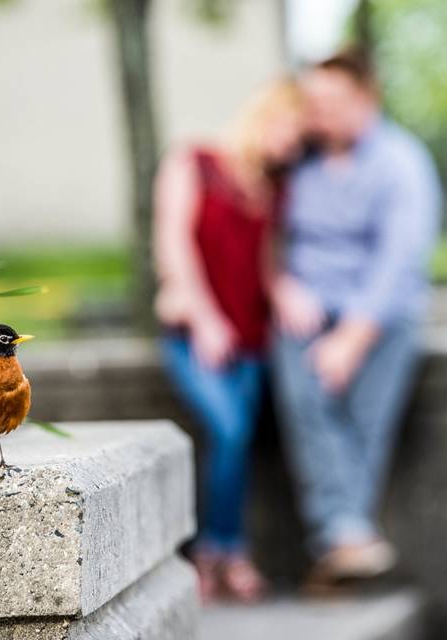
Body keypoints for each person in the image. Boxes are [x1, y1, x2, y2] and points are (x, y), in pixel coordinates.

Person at [270, 49, 440, 589]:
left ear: (366, 98)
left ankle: (340, 540)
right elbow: (265, 235)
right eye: (310, 101)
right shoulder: (295, 161)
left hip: (383, 312)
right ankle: (348, 537)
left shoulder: (401, 161)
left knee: (367, 420)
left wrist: (352, 339)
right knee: (306, 400)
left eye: (331, 101)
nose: (317, 112)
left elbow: (400, 260)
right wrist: (282, 285)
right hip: (305, 307)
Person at [153, 79, 305, 603]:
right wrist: (204, 318)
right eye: (289, 131)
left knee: (233, 443)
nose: (293, 146)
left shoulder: (273, 188)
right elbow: (173, 242)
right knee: (231, 429)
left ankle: (226, 553)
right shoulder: (193, 161)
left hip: (253, 340)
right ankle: (214, 551)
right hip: (195, 333)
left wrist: (285, 294)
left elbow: (267, 262)